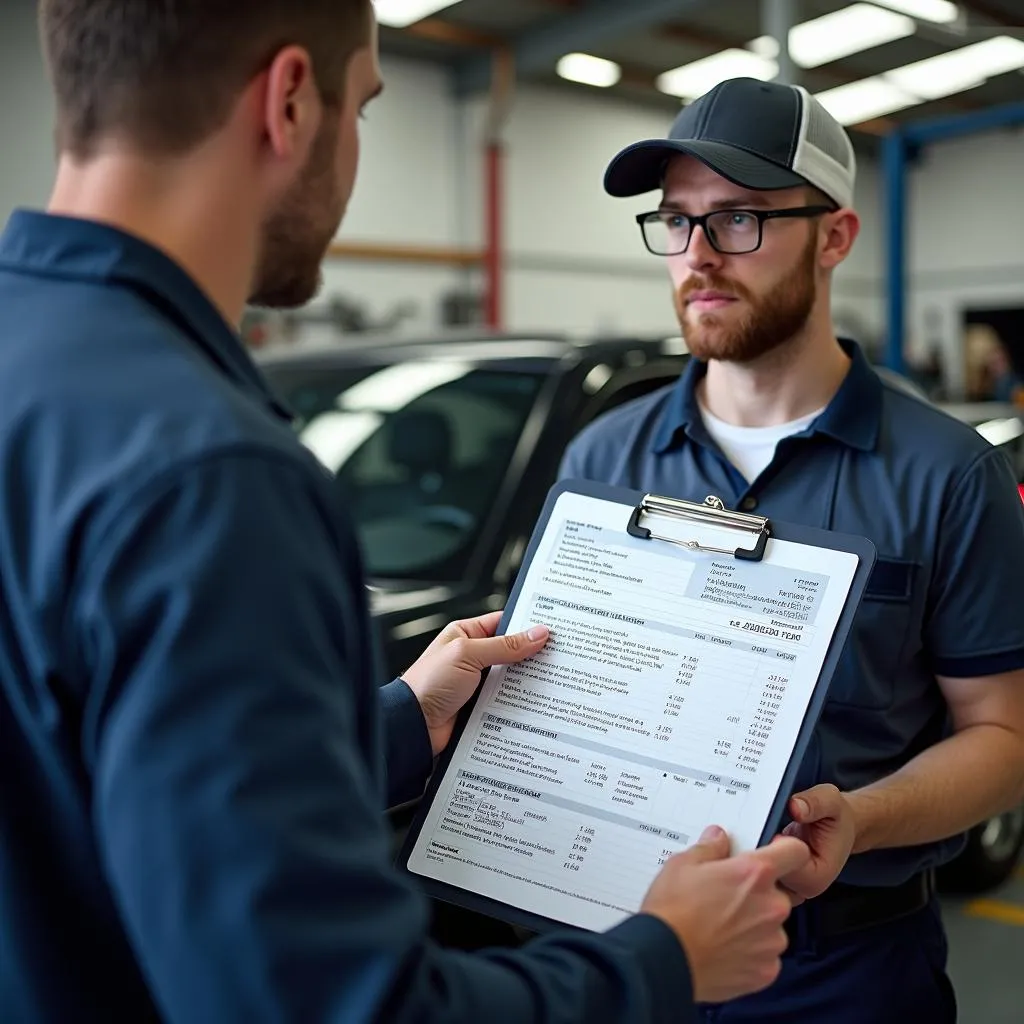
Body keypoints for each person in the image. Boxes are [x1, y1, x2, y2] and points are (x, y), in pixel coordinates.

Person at [0, 5, 818, 1023]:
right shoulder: (207, 473)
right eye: (367, 109)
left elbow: (88, 769)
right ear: (291, 99)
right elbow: (339, 1007)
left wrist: (398, 722)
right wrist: (662, 957)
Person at [560, 76, 1024, 1022]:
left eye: (739, 220)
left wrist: (860, 819)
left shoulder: (947, 474)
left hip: (844, 973)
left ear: (835, 237)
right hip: (629, 950)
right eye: (676, 221)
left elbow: (1006, 738)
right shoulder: (603, 455)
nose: (696, 255)